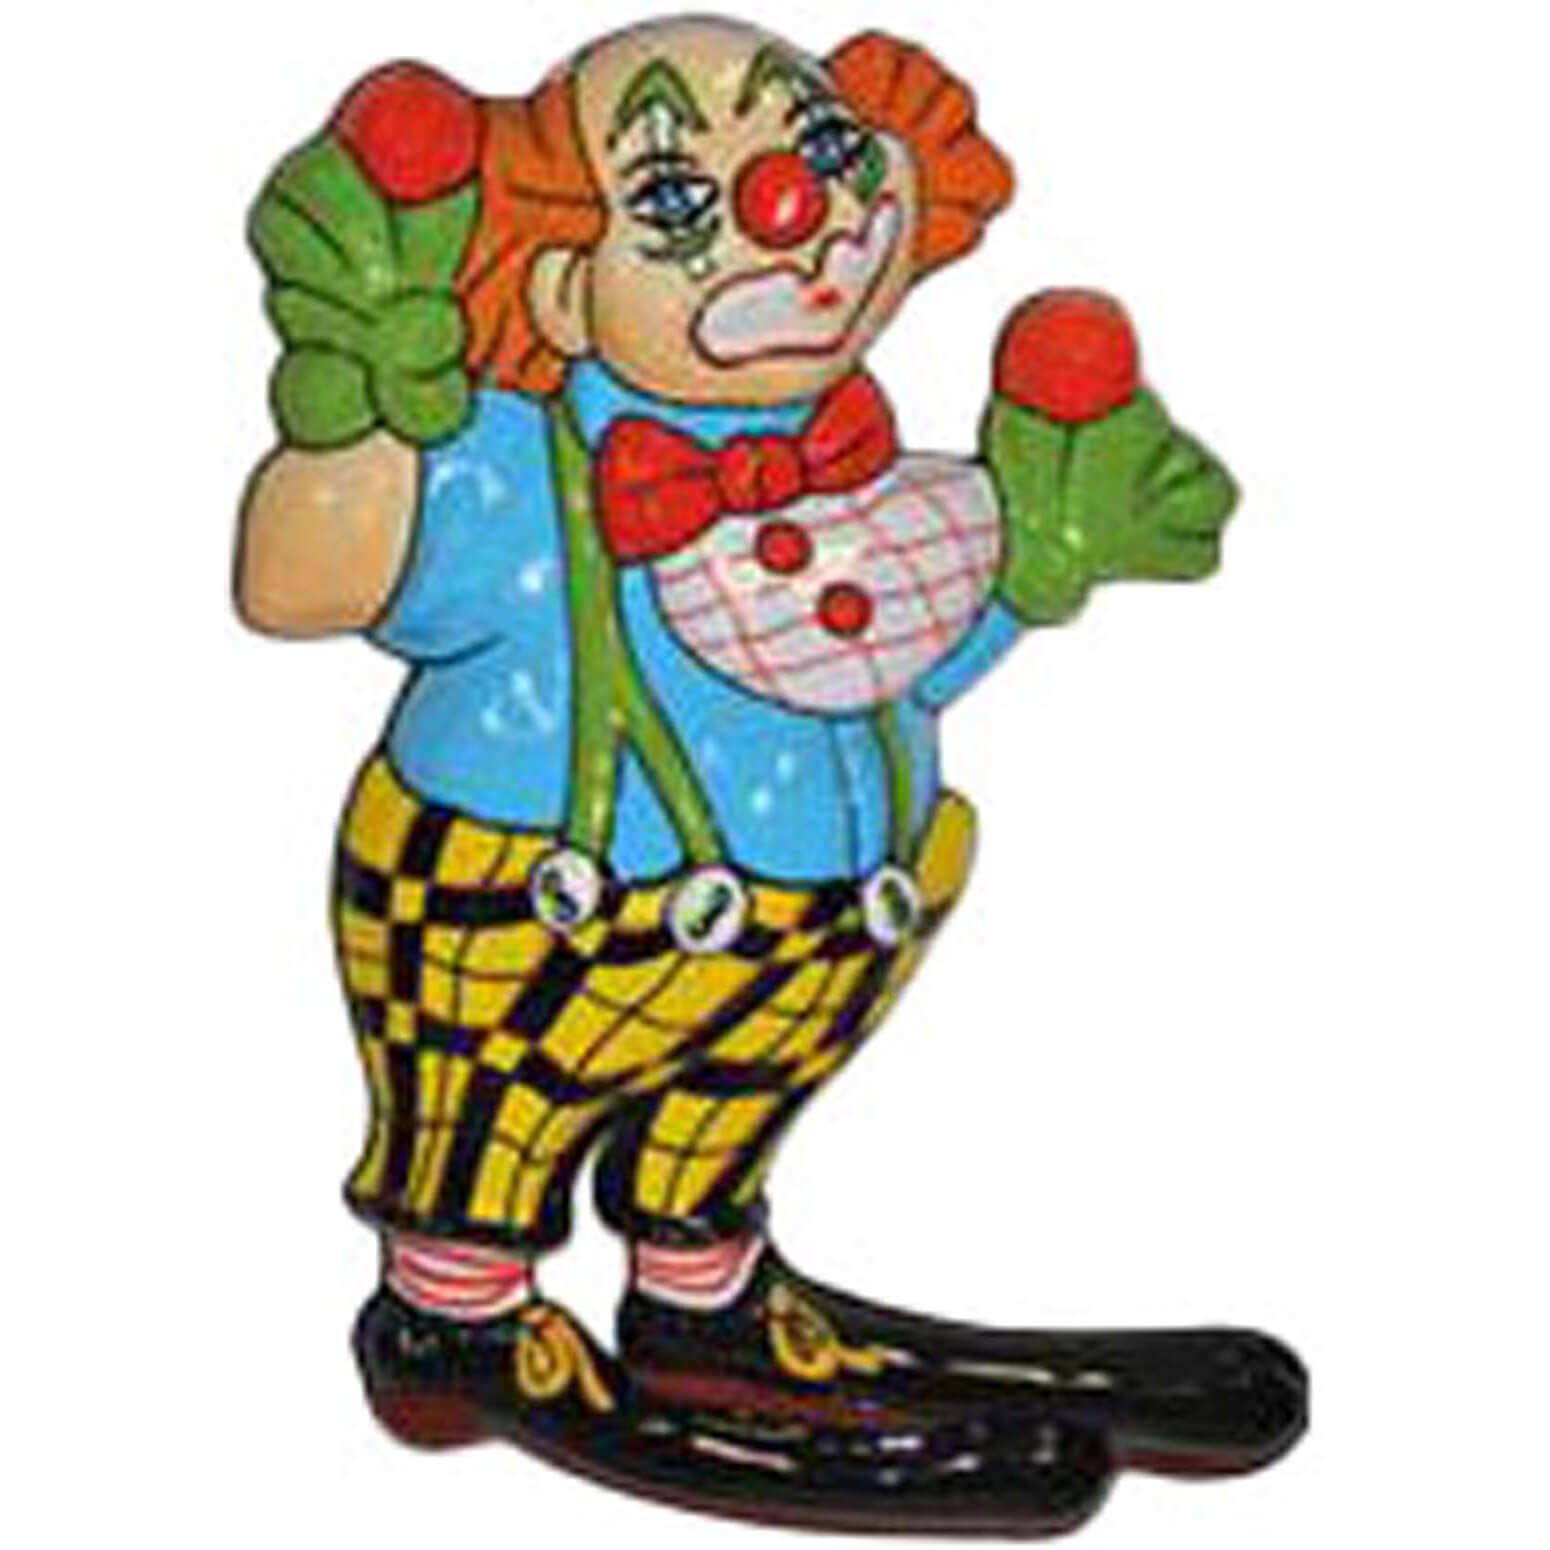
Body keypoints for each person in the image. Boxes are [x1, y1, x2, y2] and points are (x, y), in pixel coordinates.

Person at [235, 14, 1304, 1533]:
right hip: (531, 901)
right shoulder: (517, 462)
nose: (796, 216)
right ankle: (454, 1313)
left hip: (805, 929)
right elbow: (298, 582)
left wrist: (1055, 539)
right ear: (559, 288)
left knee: (729, 1099)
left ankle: (705, 1292)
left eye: (820, 147)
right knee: (495, 1112)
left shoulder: (862, 462)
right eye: (678, 199)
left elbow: (901, 647)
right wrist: (356, 389)